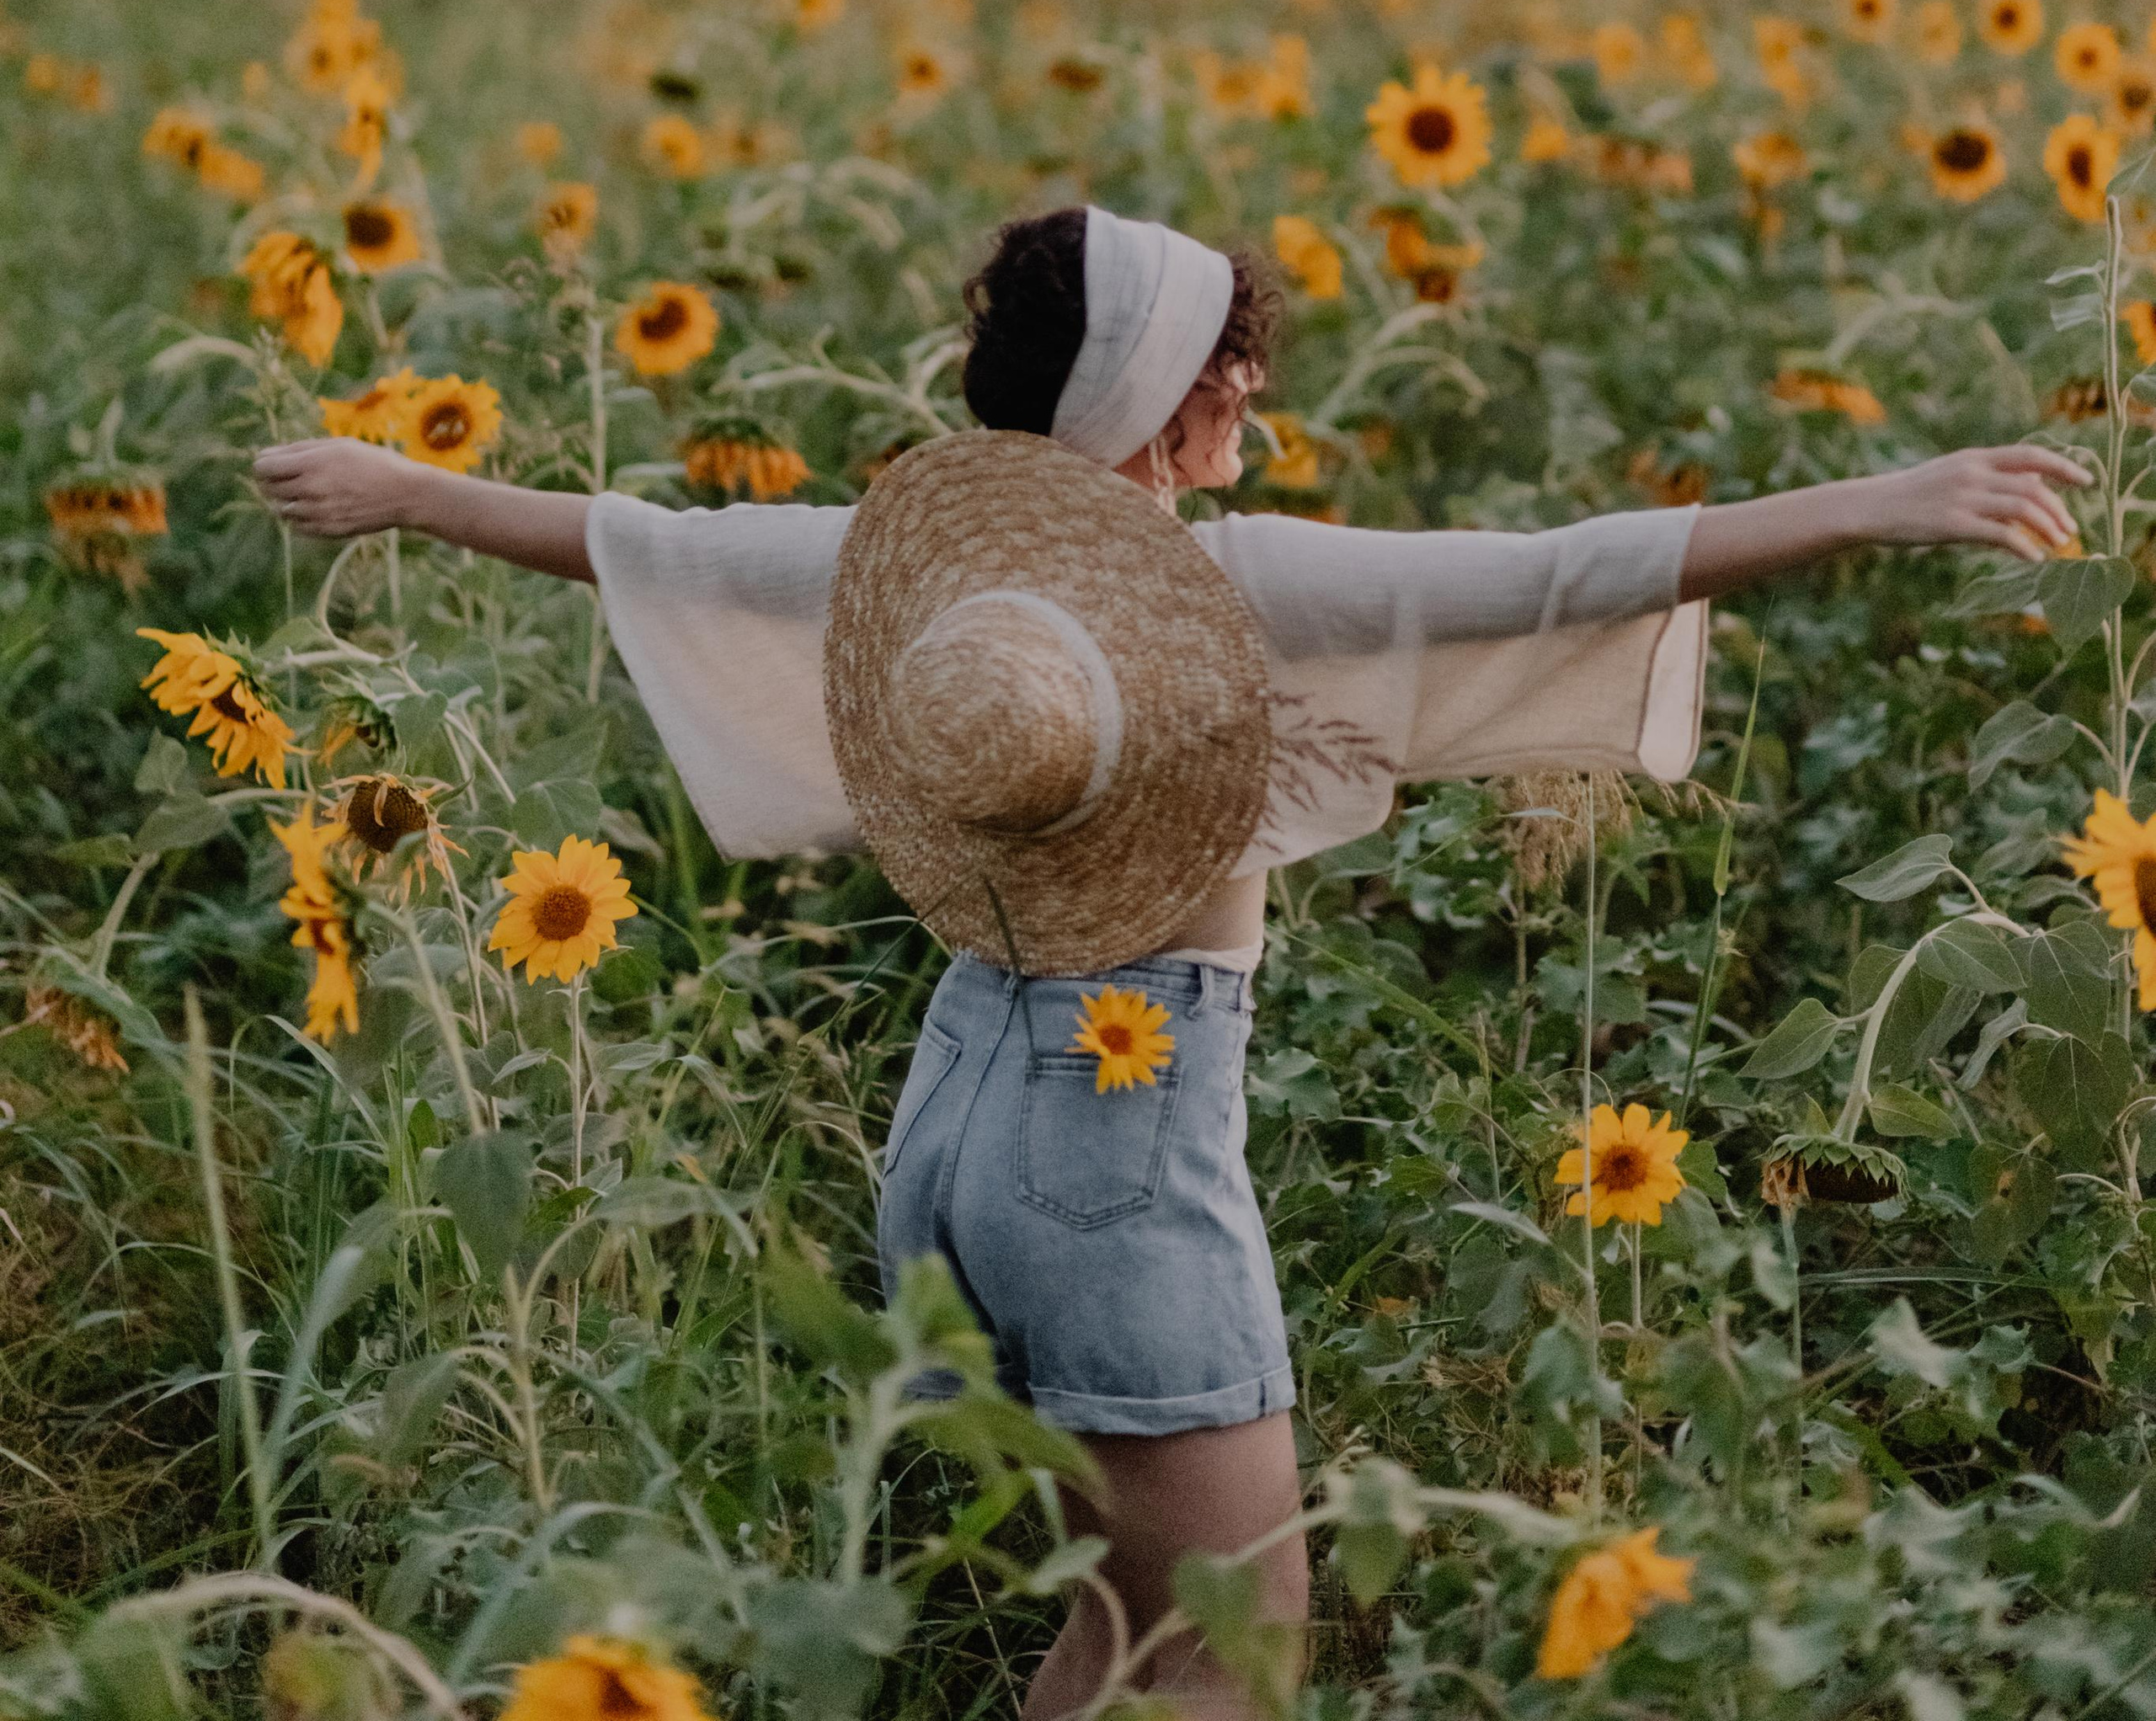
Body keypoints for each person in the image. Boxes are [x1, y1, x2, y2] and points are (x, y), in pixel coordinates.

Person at [257, 205, 2085, 1719]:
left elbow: (648, 546)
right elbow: (1562, 569)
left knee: (1122, 1630)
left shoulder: (914, 573)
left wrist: (397, 487)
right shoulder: (1234, 582)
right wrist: (1875, 497)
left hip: (960, 1116)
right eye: (1235, 369)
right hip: (1116, 1137)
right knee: (1235, 1645)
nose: (1253, 402)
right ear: (1173, 398)